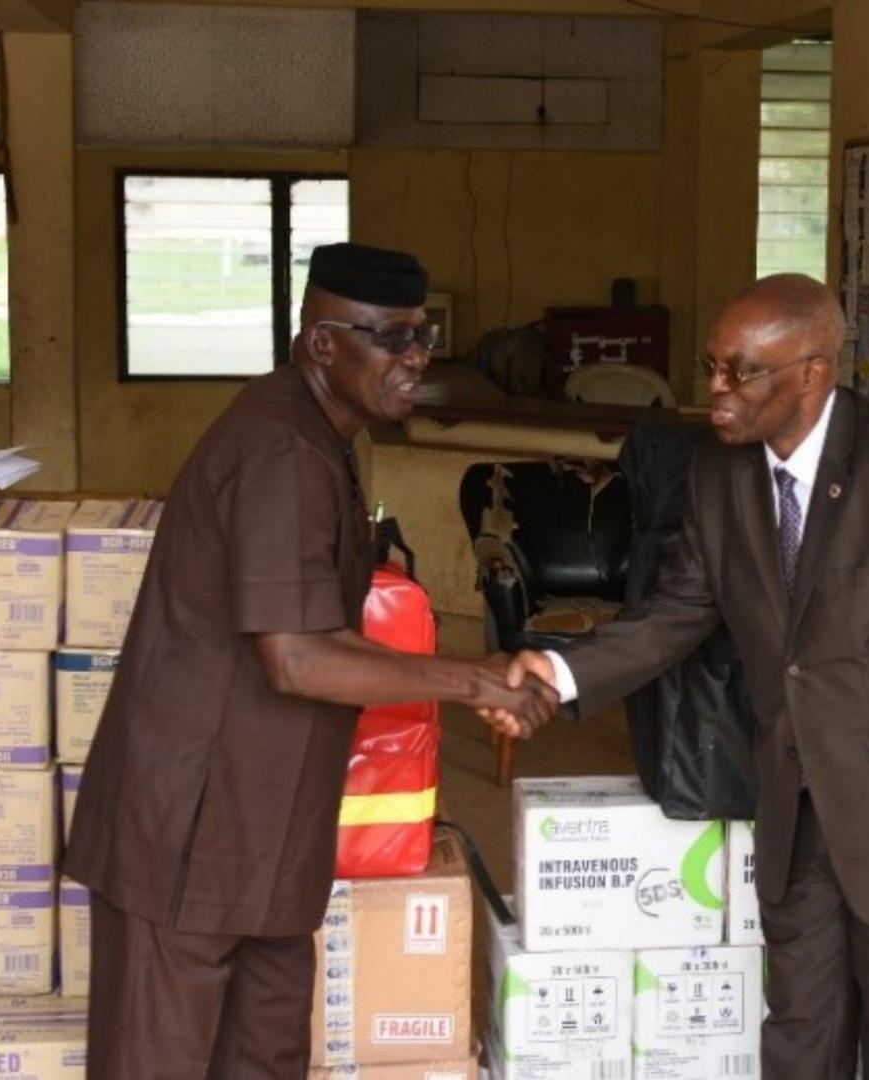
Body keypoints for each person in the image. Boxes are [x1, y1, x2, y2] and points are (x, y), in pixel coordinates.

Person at [64, 243, 555, 1079]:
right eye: (390, 339)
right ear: (323, 342)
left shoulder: (322, 434)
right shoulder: (281, 449)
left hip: (265, 832)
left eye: (422, 336)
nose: (415, 359)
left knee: (264, 1055)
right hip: (192, 827)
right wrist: (475, 678)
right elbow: (295, 659)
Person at [502, 274, 869, 1080]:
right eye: (712, 366)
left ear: (811, 372)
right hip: (791, 802)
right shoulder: (718, 472)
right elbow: (679, 610)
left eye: (741, 371)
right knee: (799, 1034)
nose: (715, 389)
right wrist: (559, 673)